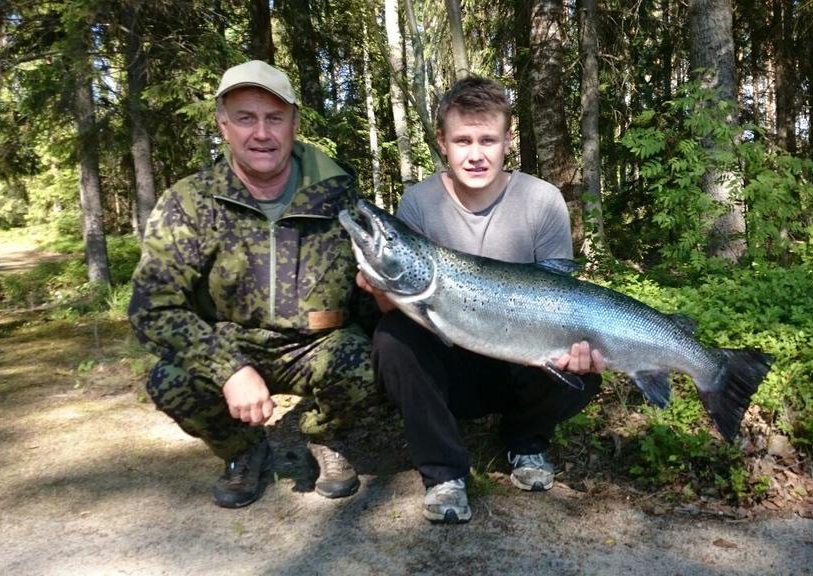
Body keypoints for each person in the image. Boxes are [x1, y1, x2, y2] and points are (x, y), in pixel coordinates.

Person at [129, 60, 377, 509]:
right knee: (171, 379)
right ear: (224, 125)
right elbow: (152, 306)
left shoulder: (338, 196)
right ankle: (244, 451)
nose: (261, 133)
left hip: (316, 345)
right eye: (246, 118)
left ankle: (326, 438)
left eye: (274, 118)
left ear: (294, 124)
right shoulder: (190, 202)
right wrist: (228, 369)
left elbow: (371, 290)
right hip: (232, 343)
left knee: (372, 359)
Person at [358, 75, 604, 524]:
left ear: (508, 140)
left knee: (583, 368)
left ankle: (525, 441)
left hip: (522, 361)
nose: (475, 153)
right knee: (391, 337)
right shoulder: (417, 202)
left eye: (488, 139)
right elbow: (394, 308)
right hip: (452, 365)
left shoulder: (543, 200)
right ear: (442, 142)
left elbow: (561, 292)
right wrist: (382, 289)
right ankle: (444, 471)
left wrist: (580, 347)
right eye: (463, 140)